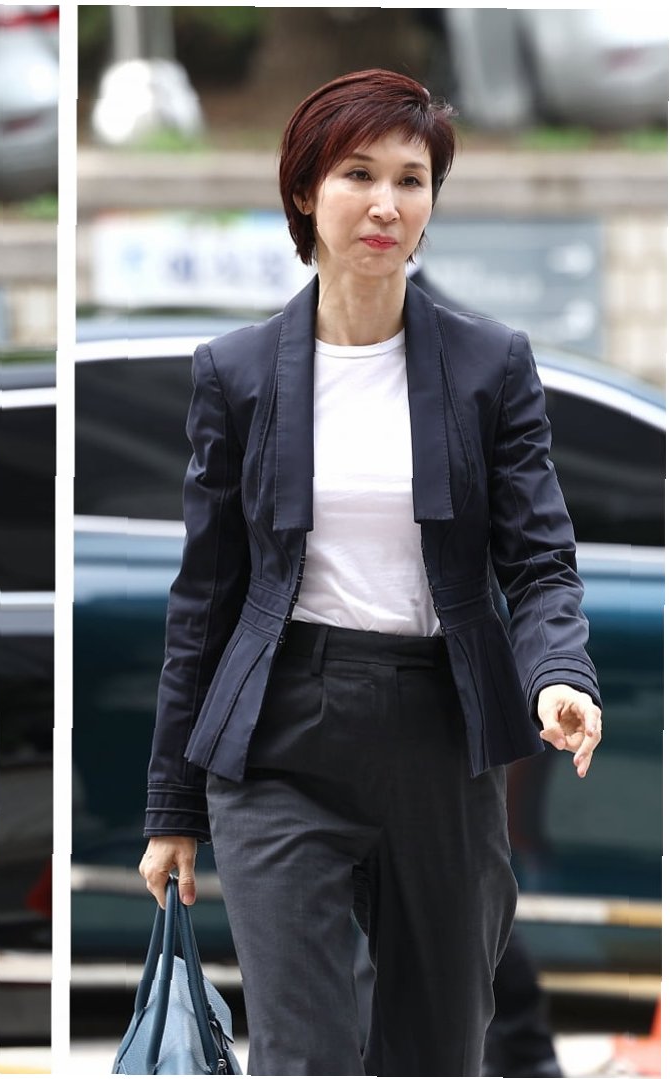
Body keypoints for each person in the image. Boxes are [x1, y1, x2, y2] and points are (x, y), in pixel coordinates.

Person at [137, 69, 602, 1076]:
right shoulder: (237, 372)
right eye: (357, 173)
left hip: (441, 732)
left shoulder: (488, 365)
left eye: (410, 179)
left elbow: (537, 559)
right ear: (305, 191)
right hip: (280, 737)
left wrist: (557, 674)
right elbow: (203, 599)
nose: (386, 203)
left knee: (435, 1050)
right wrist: (172, 806)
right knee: (300, 1052)